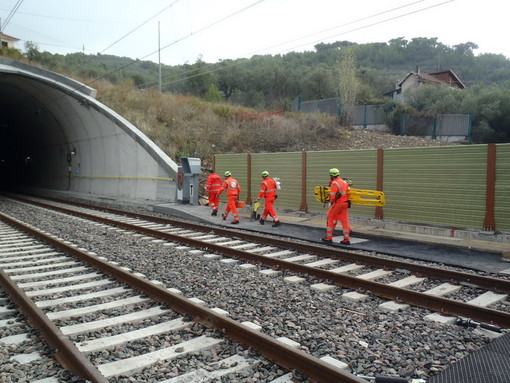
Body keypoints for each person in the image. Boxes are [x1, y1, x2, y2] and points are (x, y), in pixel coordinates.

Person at [322, 168, 351, 245]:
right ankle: (346, 239)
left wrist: (331, 202)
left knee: (330, 216)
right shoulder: (343, 182)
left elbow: (332, 197)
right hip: (345, 203)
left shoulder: (334, 183)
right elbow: (348, 190)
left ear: (331, 175)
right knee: (344, 220)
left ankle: (329, 238)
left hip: (339, 203)